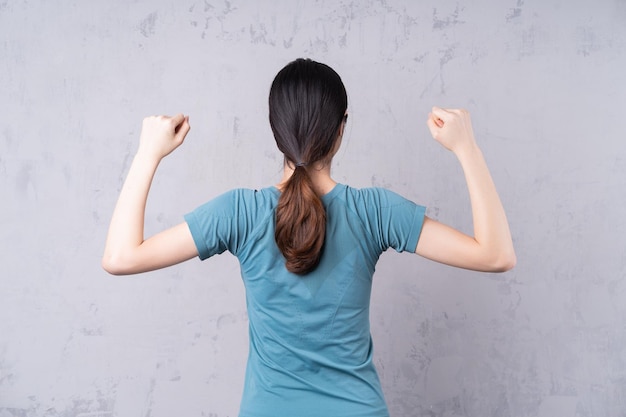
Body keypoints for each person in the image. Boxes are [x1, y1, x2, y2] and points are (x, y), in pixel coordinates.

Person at [102, 58, 515, 417]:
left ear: (275, 130)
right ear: (341, 129)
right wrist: (467, 149)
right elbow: (496, 255)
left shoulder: (239, 213)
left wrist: (148, 153)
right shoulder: (373, 211)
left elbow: (120, 257)